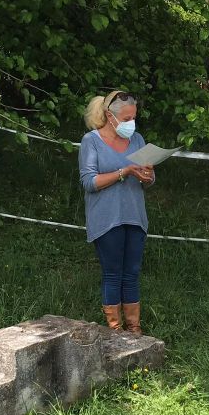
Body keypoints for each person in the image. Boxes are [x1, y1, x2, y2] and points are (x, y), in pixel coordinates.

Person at [79, 90, 155, 334]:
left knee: (131, 274)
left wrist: (147, 175)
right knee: (113, 274)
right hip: (106, 218)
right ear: (110, 117)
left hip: (135, 216)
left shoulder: (138, 139)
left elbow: (150, 179)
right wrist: (125, 172)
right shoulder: (91, 141)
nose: (131, 123)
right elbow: (89, 182)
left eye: (134, 118)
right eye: (126, 119)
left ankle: (134, 330)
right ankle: (115, 331)